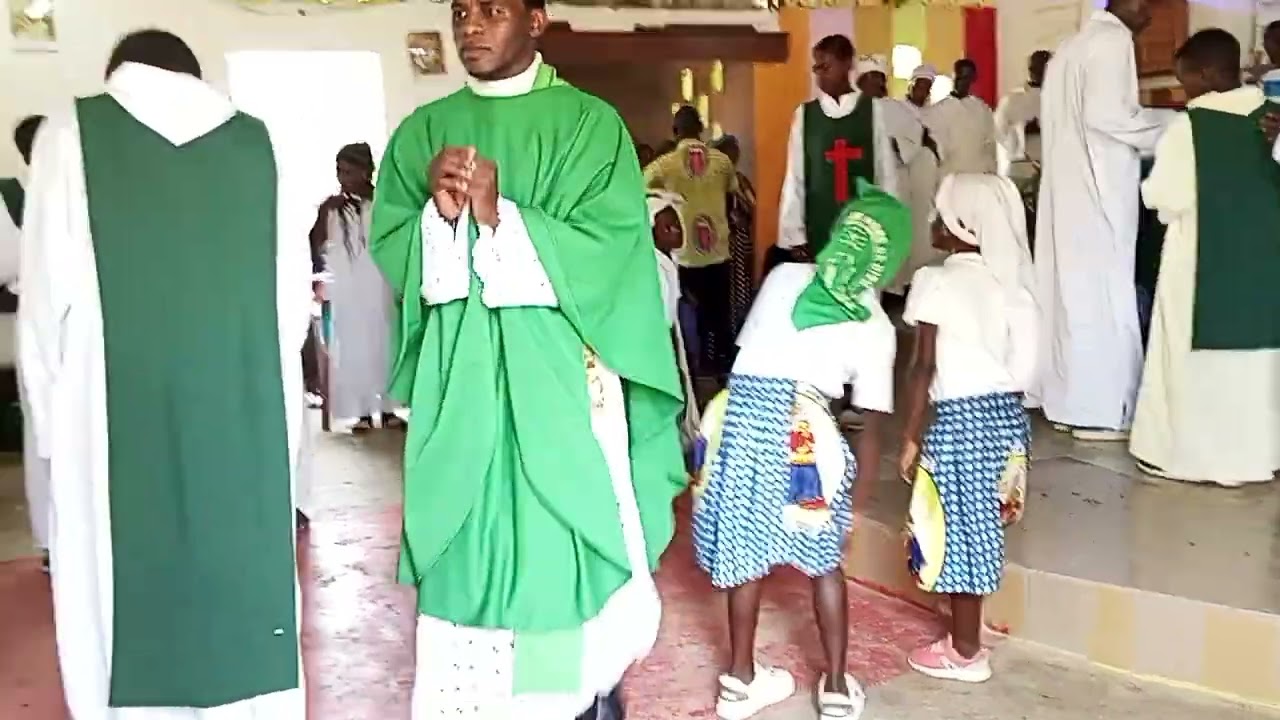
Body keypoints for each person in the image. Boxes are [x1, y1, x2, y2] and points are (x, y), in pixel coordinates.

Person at [368, 0, 686, 714]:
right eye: (461, 11)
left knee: (557, 552)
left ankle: (575, 700)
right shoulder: (423, 132)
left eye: (493, 11)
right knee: (466, 550)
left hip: (559, 391)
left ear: (536, 21)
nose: (471, 26)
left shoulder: (589, 125)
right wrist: (438, 218)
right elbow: (397, 251)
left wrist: (500, 216)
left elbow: (609, 254)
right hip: (462, 390)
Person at [19, 29, 309, 718]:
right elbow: (291, 303)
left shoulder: (70, 133)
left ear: (116, 72)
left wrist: (52, 435)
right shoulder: (259, 144)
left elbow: (41, 309)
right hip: (242, 416)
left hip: (109, 422)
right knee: (243, 590)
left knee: (115, 595)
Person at [692, 179, 907, 720]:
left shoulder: (784, 277)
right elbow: (871, 428)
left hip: (740, 417)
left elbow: (752, 355)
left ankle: (740, 681)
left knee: (745, 552)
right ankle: (835, 687)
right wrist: (852, 506)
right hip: (804, 430)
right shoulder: (877, 325)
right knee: (825, 563)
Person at [898, 174, 1036, 683]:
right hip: (1006, 420)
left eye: (940, 215)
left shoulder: (936, 280)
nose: (932, 222)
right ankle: (970, 624)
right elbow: (1024, 366)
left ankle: (964, 651)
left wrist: (911, 434)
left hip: (961, 421)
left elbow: (922, 367)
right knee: (982, 526)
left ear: (963, 226)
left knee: (957, 530)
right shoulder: (1011, 282)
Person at [1130, 29, 1280, 487]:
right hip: (1265, 273)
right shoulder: (1273, 117)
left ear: (1209, 73)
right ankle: (1264, 455)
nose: (1185, 90)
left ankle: (1192, 459)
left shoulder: (1188, 128)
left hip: (1199, 270)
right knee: (1262, 366)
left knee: (1188, 358)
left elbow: (1165, 198)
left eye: (1186, 80)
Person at [1034, 0, 1175, 441]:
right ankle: (1100, 411)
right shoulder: (1114, 40)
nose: (1150, 15)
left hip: (1068, 190)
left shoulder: (1071, 46)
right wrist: (1179, 125)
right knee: (1103, 296)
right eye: (1148, 4)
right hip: (1097, 191)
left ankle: (1067, 401)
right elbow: (1110, 117)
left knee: (1071, 296)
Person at [777, 35, 899, 261]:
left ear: (847, 64)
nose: (819, 74)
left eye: (826, 66)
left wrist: (889, 226)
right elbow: (795, 177)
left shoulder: (872, 111)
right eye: (816, 67)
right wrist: (794, 236)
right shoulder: (805, 115)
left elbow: (886, 174)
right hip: (818, 228)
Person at [308, 141, 398, 433]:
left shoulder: (384, 203)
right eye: (339, 171)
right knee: (353, 346)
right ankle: (361, 412)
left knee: (384, 342)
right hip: (348, 287)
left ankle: (388, 409)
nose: (342, 177)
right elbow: (316, 245)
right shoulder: (331, 208)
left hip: (380, 283)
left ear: (366, 171)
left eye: (348, 171)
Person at [645, 106, 739, 378]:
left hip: (685, 253)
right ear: (701, 128)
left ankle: (695, 371)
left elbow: (640, 190)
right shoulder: (722, 162)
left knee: (688, 315)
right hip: (718, 251)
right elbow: (732, 197)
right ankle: (723, 371)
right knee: (720, 316)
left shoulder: (663, 165)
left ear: (675, 131)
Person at [2, 115, 50, 570]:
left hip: (52, 320)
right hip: (38, 320)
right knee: (45, 430)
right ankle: (53, 538)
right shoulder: (12, 199)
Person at [884, 64, 944, 296]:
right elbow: (896, 143)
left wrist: (930, 144)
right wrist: (918, 139)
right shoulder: (895, 109)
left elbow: (938, 146)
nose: (923, 91)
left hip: (925, 180)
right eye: (920, 85)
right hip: (900, 177)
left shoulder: (934, 113)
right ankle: (896, 284)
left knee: (923, 228)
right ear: (910, 85)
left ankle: (916, 281)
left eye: (927, 87)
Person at [648, 190, 700, 447]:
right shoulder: (653, 265)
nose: (677, 231)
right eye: (667, 227)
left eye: (677, 224)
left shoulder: (670, 260)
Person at [710, 134, 756, 337]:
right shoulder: (711, 181)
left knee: (738, 290)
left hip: (737, 242)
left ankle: (737, 334)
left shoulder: (738, 180)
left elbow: (753, 206)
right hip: (719, 243)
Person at [923, 59, 998, 177]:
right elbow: (937, 147)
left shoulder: (982, 108)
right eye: (960, 77)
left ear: (973, 78)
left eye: (967, 78)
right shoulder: (938, 110)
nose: (963, 82)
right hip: (952, 173)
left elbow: (990, 142)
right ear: (954, 75)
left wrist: (991, 170)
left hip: (980, 172)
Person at [995, 50, 1051, 179]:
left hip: (1052, 168)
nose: (1042, 72)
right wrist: (1021, 131)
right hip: (1021, 169)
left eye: (1046, 67)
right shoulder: (1012, 99)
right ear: (1031, 70)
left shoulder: (1061, 99)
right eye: (1038, 68)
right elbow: (998, 133)